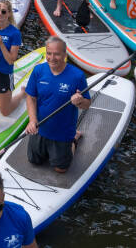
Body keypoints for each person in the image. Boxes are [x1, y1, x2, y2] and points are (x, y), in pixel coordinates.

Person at [25, 36, 90, 173]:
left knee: (60, 170)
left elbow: (87, 104)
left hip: (62, 133)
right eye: (49, 53)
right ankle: (72, 137)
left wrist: (79, 101)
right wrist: (32, 120)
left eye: (57, 54)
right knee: (34, 161)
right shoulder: (38, 71)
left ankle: (73, 140)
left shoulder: (77, 76)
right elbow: (31, 97)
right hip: (40, 128)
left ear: (65, 55)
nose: (52, 58)